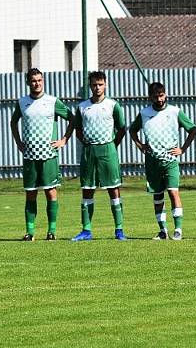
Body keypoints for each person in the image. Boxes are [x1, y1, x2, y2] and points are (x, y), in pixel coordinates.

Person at [10, 68, 74, 241]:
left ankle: (51, 231)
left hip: (48, 155)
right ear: (27, 82)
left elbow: (72, 119)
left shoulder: (52, 101)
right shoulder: (22, 102)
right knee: (31, 193)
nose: (36, 83)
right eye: (33, 81)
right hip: (30, 155)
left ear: (43, 81)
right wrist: (18, 142)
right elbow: (13, 122)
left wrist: (63, 140)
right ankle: (30, 232)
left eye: (39, 80)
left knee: (50, 192)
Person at [129, 82, 196, 240]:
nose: (159, 99)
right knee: (158, 196)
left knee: (173, 193)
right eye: (156, 96)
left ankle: (178, 230)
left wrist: (182, 149)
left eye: (161, 95)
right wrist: (140, 145)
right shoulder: (144, 113)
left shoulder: (175, 112)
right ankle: (163, 231)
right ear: (150, 97)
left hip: (170, 161)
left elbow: (193, 129)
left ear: (165, 94)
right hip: (152, 162)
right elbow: (132, 130)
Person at [71, 71, 128, 241]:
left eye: (100, 84)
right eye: (94, 85)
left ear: (106, 85)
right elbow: (78, 130)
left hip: (108, 150)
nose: (97, 87)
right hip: (89, 152)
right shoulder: (82, 107)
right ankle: (86, 230)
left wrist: (111, 145)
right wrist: (87, 143)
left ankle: (119, 230)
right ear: (90, 86)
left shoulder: (112, 105)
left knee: (114, 189)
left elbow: (122, 128)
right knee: (87, 189)